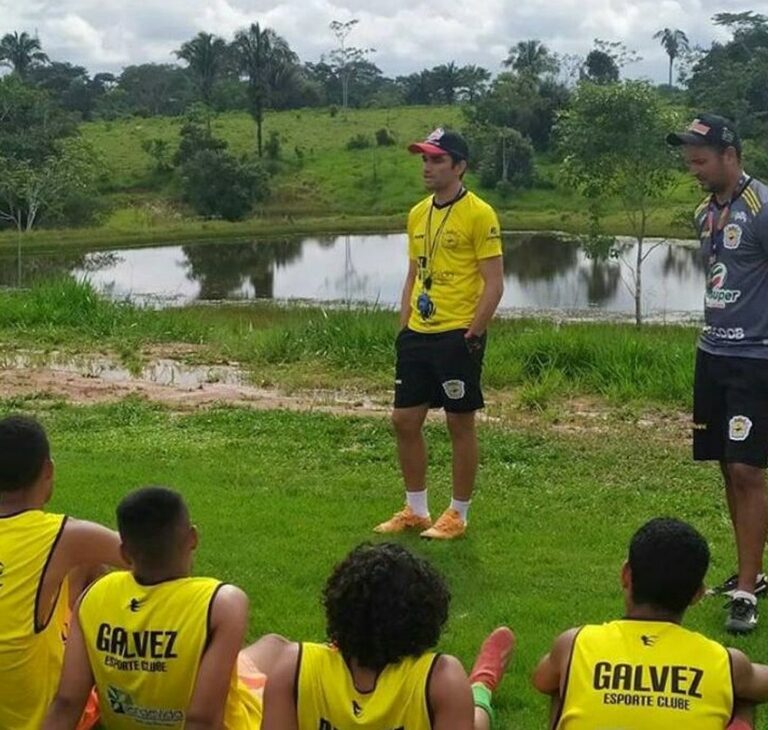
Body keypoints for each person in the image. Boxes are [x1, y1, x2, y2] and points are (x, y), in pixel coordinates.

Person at [42, 486, 275, 729]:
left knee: (266, 648)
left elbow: (67, 703)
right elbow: (202, 720)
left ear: (124, 552)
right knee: (275, 648)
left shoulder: (93, 597)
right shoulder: (221, 603)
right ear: (193, 538)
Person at [375, 127, 505, 540]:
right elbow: (414, 274)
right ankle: (416, 510)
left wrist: (473, 334)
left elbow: (494, 283)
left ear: (460, 166)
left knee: (459, 424)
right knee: (404, 420)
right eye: (424, 159)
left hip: (457, 334)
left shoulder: (479, 214)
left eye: (436, 159)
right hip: (418, 332)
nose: (427, 167)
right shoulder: (417, 213)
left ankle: (457, 515)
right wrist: (404, 325)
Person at [667, 113, 768, 633]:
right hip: (713, 354)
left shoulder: (763, 206)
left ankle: (747, 592)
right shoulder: (704, 214)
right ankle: (751, 570)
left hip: (757, 359)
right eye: (690, 161)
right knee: (729, 467)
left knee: (750, 469)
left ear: (730, 155)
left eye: (701, 160)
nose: (695, 169)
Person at [533, 517, 768, 729]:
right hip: (729, 671)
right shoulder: (725, 661)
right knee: (743, 694)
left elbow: (542, 681)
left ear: (626, 574)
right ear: (697, 594)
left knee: (563, 682)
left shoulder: (574, 643)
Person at [262, 542, 514, 730]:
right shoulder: (442, 678)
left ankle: (482, 685)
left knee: (469, 717)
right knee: (469, 715)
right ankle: (480, 687)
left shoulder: (292, 665)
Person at [0, 414, 126, 729]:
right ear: (48, 470)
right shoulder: (64, 537)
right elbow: (150, 558)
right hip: (41, 717)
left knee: (86, 564)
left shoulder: (68, 544)